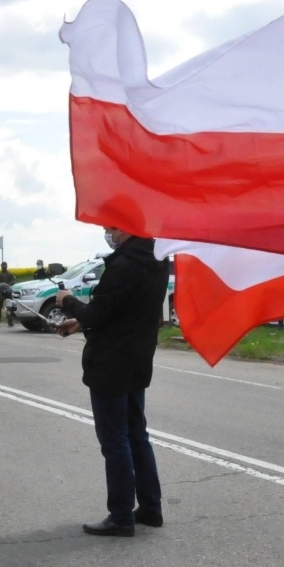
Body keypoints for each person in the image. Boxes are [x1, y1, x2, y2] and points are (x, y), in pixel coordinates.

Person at [52, 227, 169, 536]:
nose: (108, 233)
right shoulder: (157, 259)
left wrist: (69, 302)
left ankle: (120, 515)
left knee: (115, 440)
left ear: (127, 228)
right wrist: (79, 324)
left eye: (111, 228)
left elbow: (99, 313)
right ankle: (150, 507)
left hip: (110, 364)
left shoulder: (123, 265)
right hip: (138, 359)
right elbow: (123, 312)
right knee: (137, 435)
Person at [0, 261, 15, 327]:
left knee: (9, 308)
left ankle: (10, 321)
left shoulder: (10, 274)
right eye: (3, 266)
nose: (4, 267)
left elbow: (13, 280)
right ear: (1, 266)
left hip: (8, 292)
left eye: (5, 266)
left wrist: (8, 285)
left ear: (7, 266)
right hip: (0, 292)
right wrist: (2, 286)